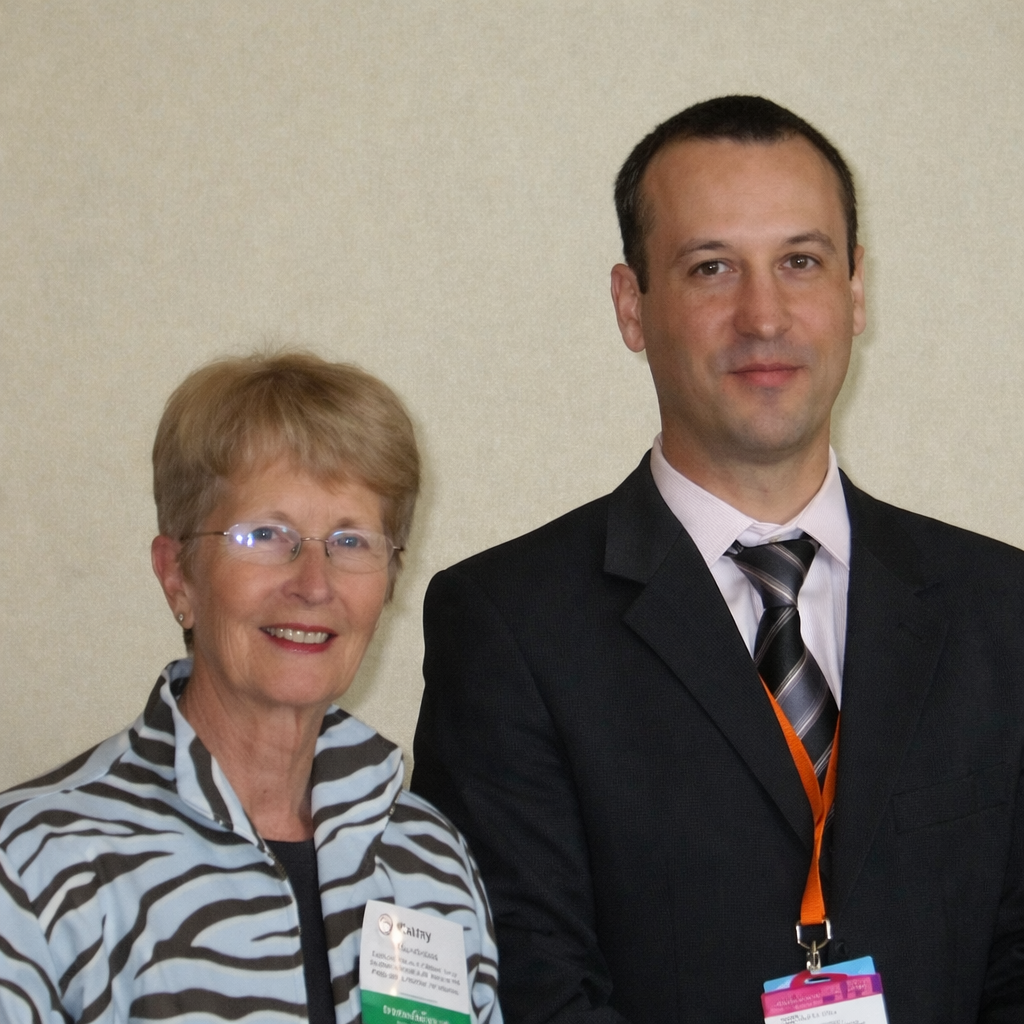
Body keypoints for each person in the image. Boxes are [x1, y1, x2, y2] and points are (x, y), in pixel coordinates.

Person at [410, 96, 1024, 1023]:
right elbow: (530, 986)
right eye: (711, 269)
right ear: (632, 305)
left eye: (801, 262)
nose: (763, 315)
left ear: (856, 291)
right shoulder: (507, 625)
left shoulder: (1000, 607)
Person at [0, 351, 502, 1024]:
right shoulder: (37, 863)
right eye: (266, 534)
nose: (314, 583)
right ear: (178, 574)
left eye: (351, 542)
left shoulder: (428, 862)